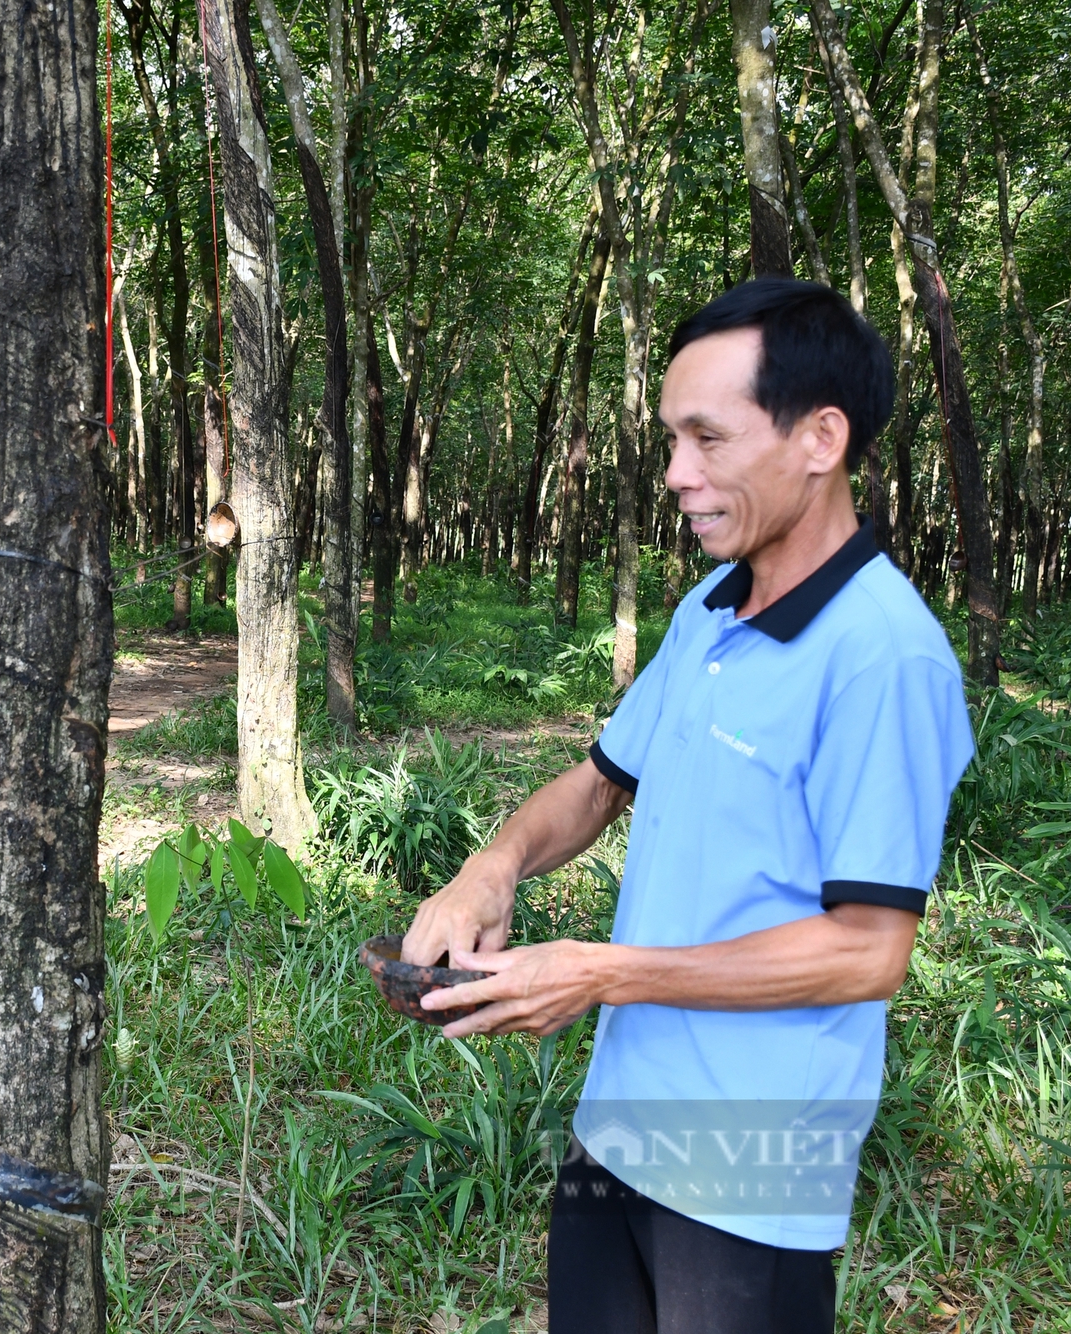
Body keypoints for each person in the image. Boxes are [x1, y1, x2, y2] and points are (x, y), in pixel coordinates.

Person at [401, 278, 974, 1334]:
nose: (676, 472)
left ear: (819, 437)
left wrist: (602, 971)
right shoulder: (708, 609)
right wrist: (491, 865)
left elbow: (866, 951)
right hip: (619, 1125)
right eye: (671, 439)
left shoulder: (882, 658)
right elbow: (600, 779)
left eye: (706, 438)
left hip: (754, 1170)